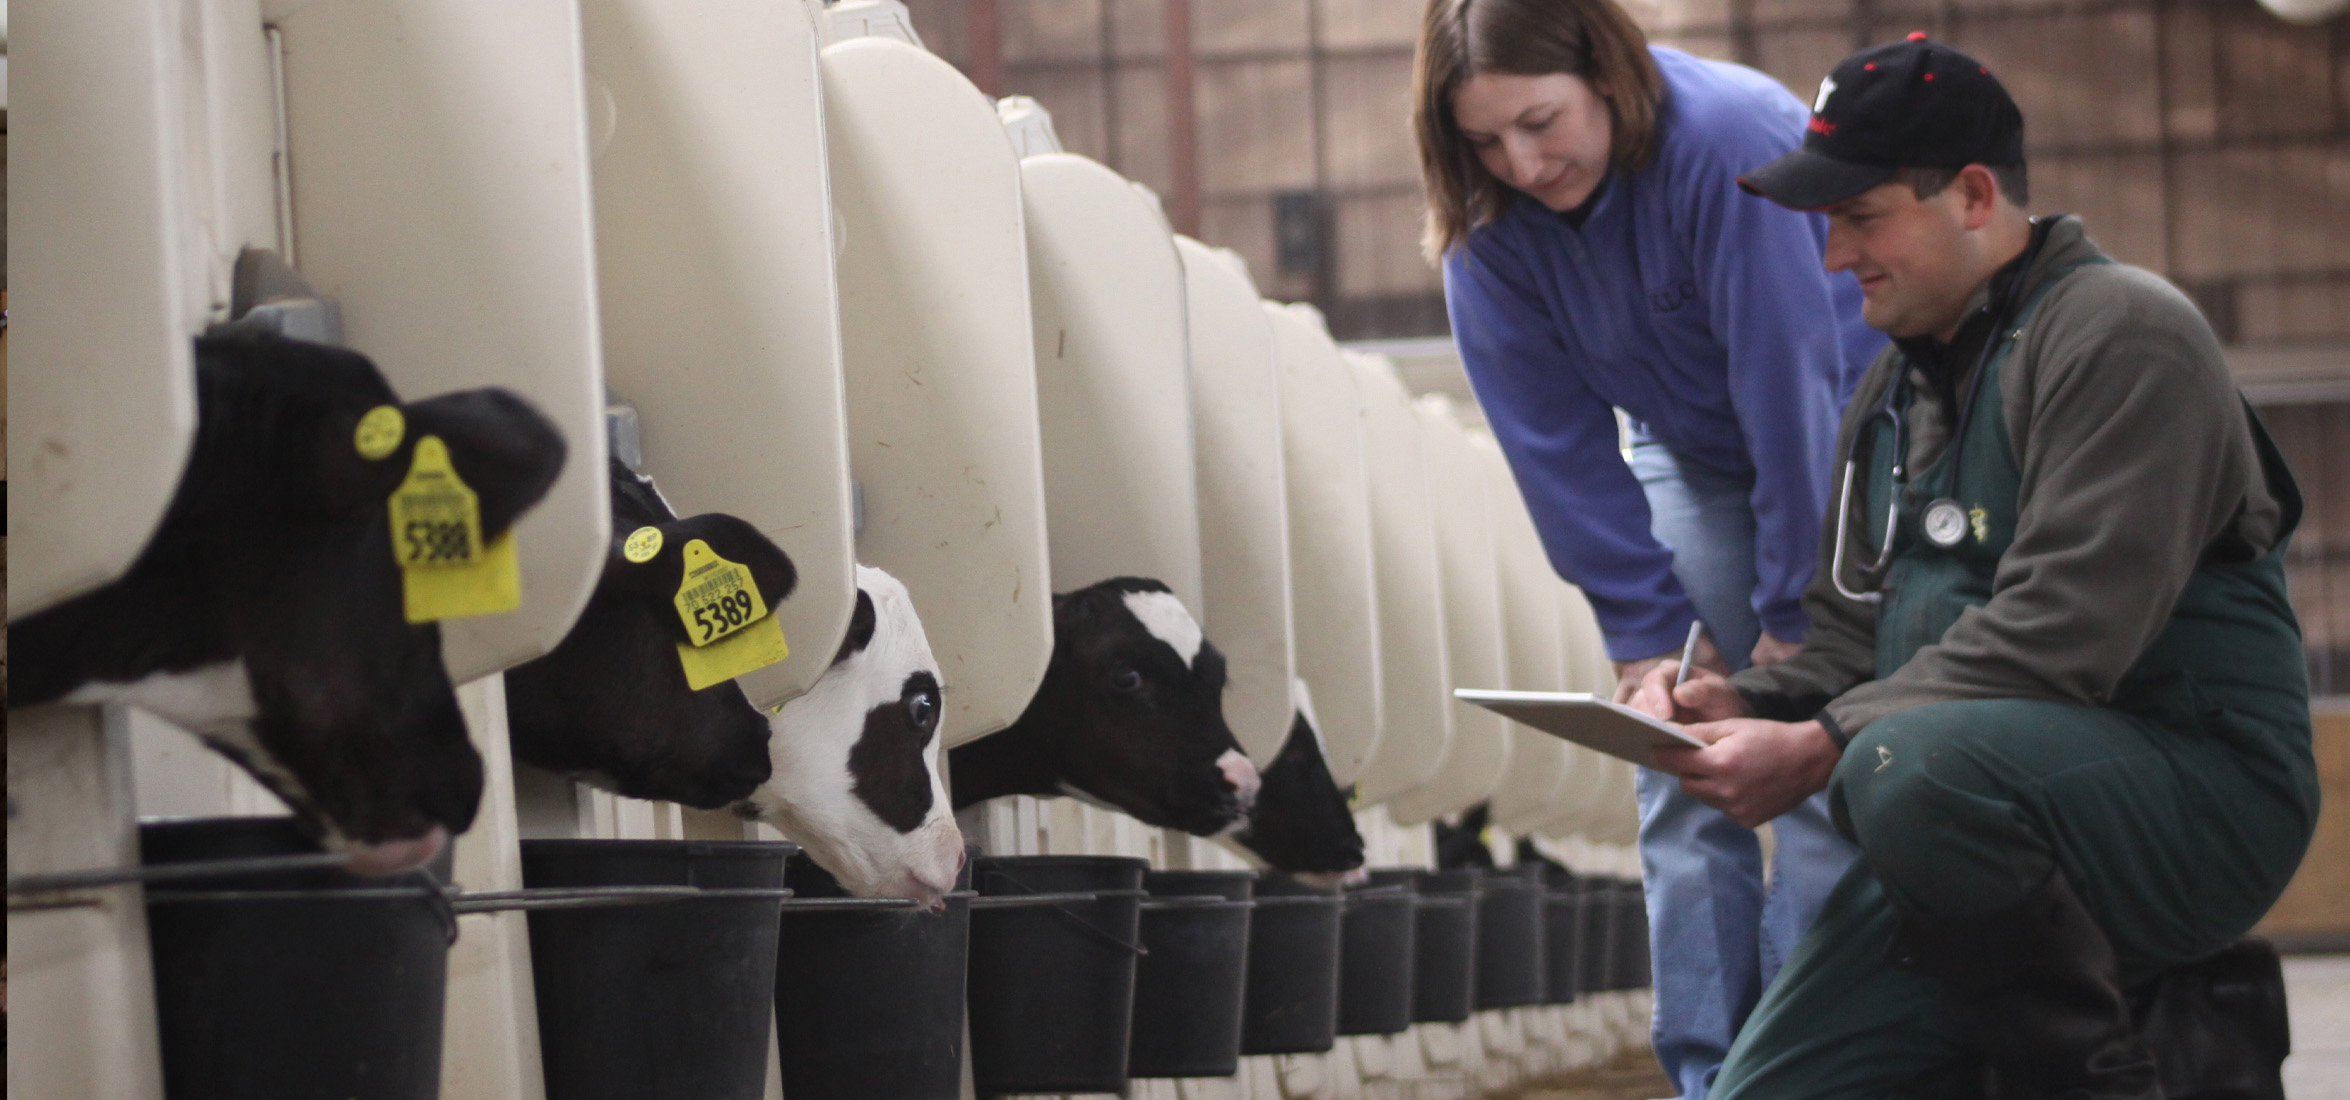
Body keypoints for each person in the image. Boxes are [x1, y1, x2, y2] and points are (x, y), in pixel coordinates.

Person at [1640, 35, 2319, 1099]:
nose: (1831, 257)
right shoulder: (1891, 395)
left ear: (1970, 194)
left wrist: (1816, 743)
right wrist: (1743, 693)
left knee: (1899, 765)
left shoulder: (2122, 334)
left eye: (1860, 218)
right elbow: (1850, 636)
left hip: (2190, 793)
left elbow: (2064, 634)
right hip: (1958, 812)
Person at [1412, 1, 1885, 1095]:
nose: (1522, 163)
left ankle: (1800, 1066)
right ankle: (1709, 1073)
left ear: (1610, 80)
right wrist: (1638, 643)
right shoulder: (1486, 230)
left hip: (1847, 440)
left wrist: (1789, 620)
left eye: (1539, 121)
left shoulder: (1726, 140)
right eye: (1483, 140)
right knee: (1671, 747)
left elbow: (1788, 393)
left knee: (1803, 758)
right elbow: (1558, 457)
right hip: (1686, 450)